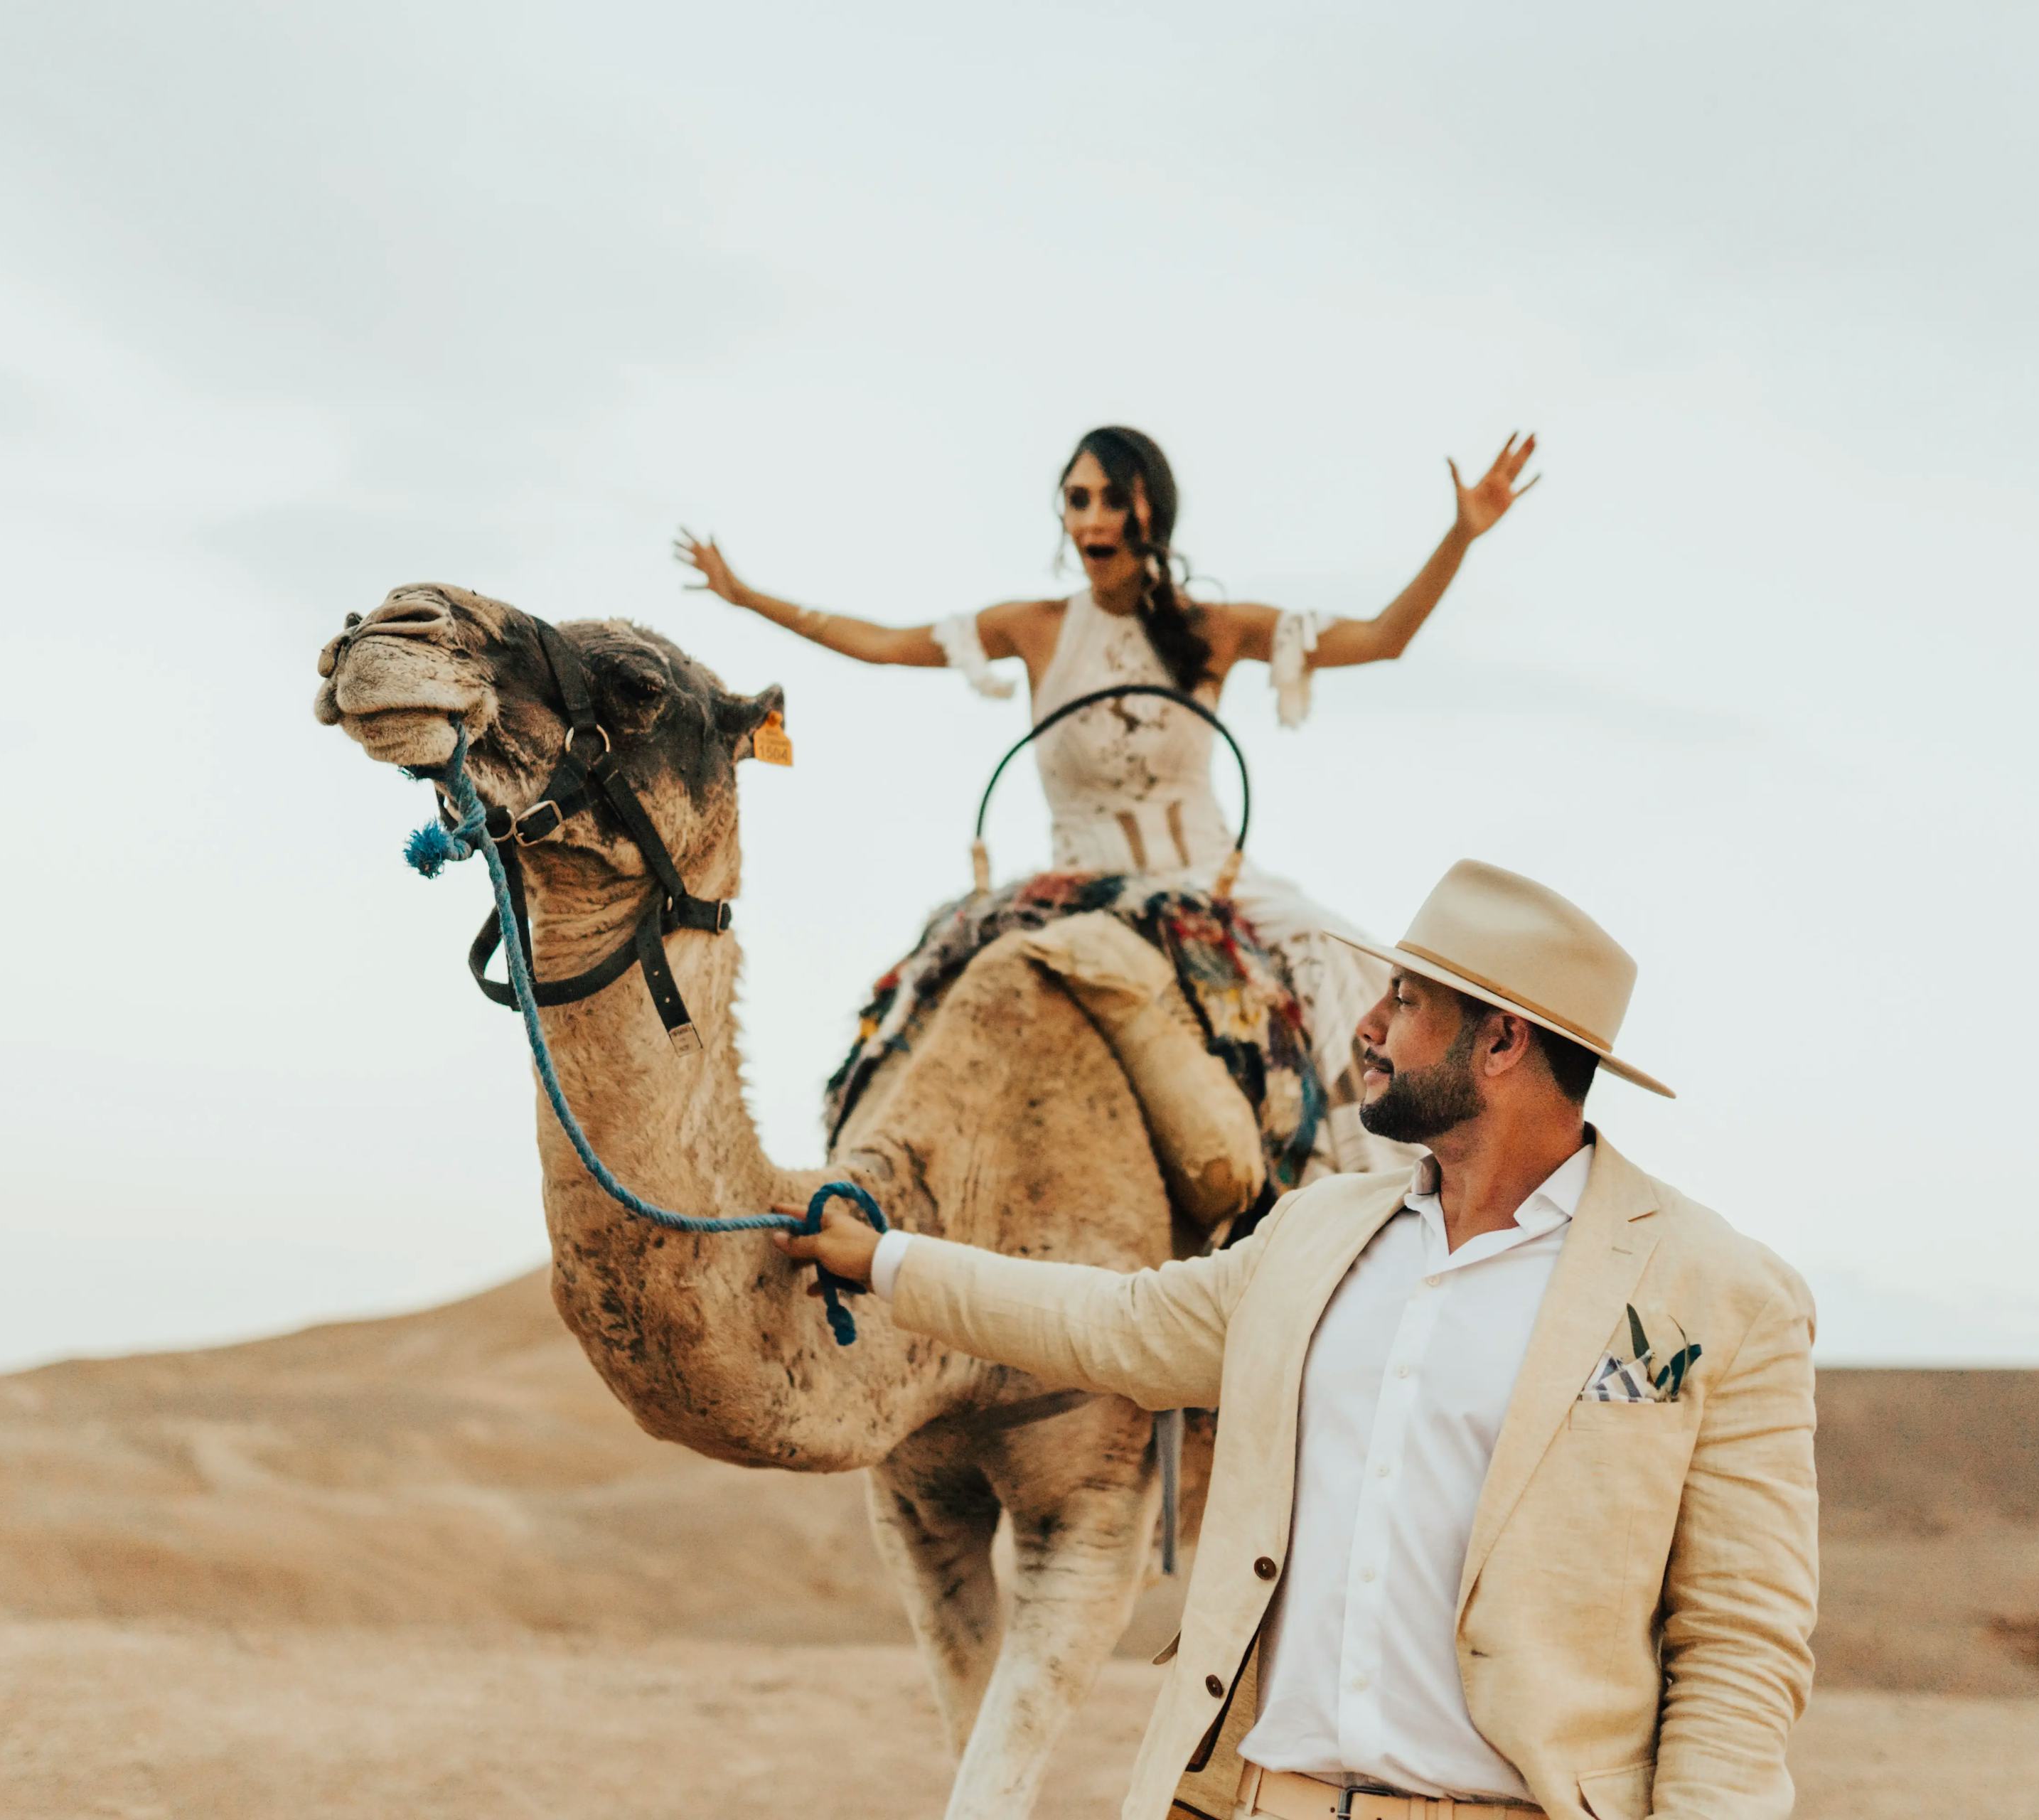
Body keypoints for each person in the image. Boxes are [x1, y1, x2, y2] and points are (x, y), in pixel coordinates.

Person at [777, 860, 1819, 1820]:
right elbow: (1113, 1323)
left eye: (1404, 1002)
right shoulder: (1319, 1233)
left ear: (1502, 1043)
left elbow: (1739, 1649)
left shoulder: (1720, 1296)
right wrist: (884, 1262)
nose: (1365, 1026)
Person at [676, 425, 1539, 1174]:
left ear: (1151, 512)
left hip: (1211, 882)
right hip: (1081, 887)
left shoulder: (1215, 629)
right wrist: (746, 596)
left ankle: (1375, 1203)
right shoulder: (1036, 627)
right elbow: (882, 644)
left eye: (1110, 499)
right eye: (1075, 498)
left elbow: (1382, 639)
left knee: (1350, 976)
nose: (1090, 518)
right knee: (931, 988)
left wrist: (1461, 536)